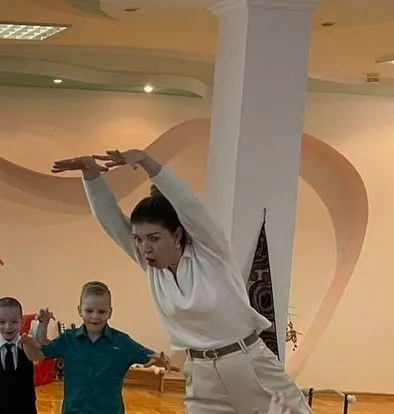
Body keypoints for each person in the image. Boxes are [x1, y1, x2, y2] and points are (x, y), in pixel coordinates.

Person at [52, 149, 312, 413]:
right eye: (139, 239)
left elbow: (190, 206)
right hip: (200, 375)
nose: (145, 248)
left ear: (177, 235)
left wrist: (146, 161)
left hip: (248, 365)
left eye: (154, 238)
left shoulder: (210, 251)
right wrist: (90, 174)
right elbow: (111, 220)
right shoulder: (151, 266)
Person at [18, 281, 175, 414]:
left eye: (101, 311)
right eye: (89, 310)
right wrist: (37, 331)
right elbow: (37, 354)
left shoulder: (122, 342)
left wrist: (161, 359)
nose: (95, 316)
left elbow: (152, 357)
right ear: (80, 311)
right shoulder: (68, 339)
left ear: (110, 312)